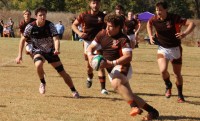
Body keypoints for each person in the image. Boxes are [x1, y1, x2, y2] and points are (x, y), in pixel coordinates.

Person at [87, 13, 159, 120]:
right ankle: (153, 111)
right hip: (111, 69)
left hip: (123, 67)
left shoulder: (123, 39)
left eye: (110, 26)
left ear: (118, 27)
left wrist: (111, 63)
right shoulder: (102, 34)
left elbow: (128, 57)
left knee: (116, 84)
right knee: (128, 94)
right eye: (106, 25)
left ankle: (134, 107)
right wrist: (90, 57)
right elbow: (90, 48)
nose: (107, 28)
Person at [15, 6, 80, 98]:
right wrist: (19, 55)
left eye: (44, 15)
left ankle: (74, 90)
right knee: (38, 64)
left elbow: (56, 38)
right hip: (38, 50)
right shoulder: (30, 27)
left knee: (63, 73)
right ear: (36, 16)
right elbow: (22, 40)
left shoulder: (50, 25)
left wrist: (57, 49)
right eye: (40, 15)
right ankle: (42, 82)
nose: (42, 17)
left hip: (50, 51)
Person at [147, 1, 195, 103]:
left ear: (166, 10)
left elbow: (192, 24)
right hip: (162, 48)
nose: (158, 12)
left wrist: (184, 34)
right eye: (156, 10)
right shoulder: (154, 19)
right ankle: (168, 85)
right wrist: (150, 36)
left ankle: (180, 94)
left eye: (160, 10)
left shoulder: (174, 18)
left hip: (175, 49)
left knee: (177, 74)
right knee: (163, 70)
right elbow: (148, 24)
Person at [72, 0, 108, 94]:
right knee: (89, 66)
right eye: (93, 3)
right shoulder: (83, 15)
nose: (95, 5)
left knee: (100, 63)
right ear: (90, 4)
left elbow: (107, 29)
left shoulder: (103, 17)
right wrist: (79, 33)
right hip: (87, 42)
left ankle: (103, 88)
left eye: (97, 3)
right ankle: (89, 77)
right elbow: (74, 25)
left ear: (100, 4)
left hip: (98, 42)